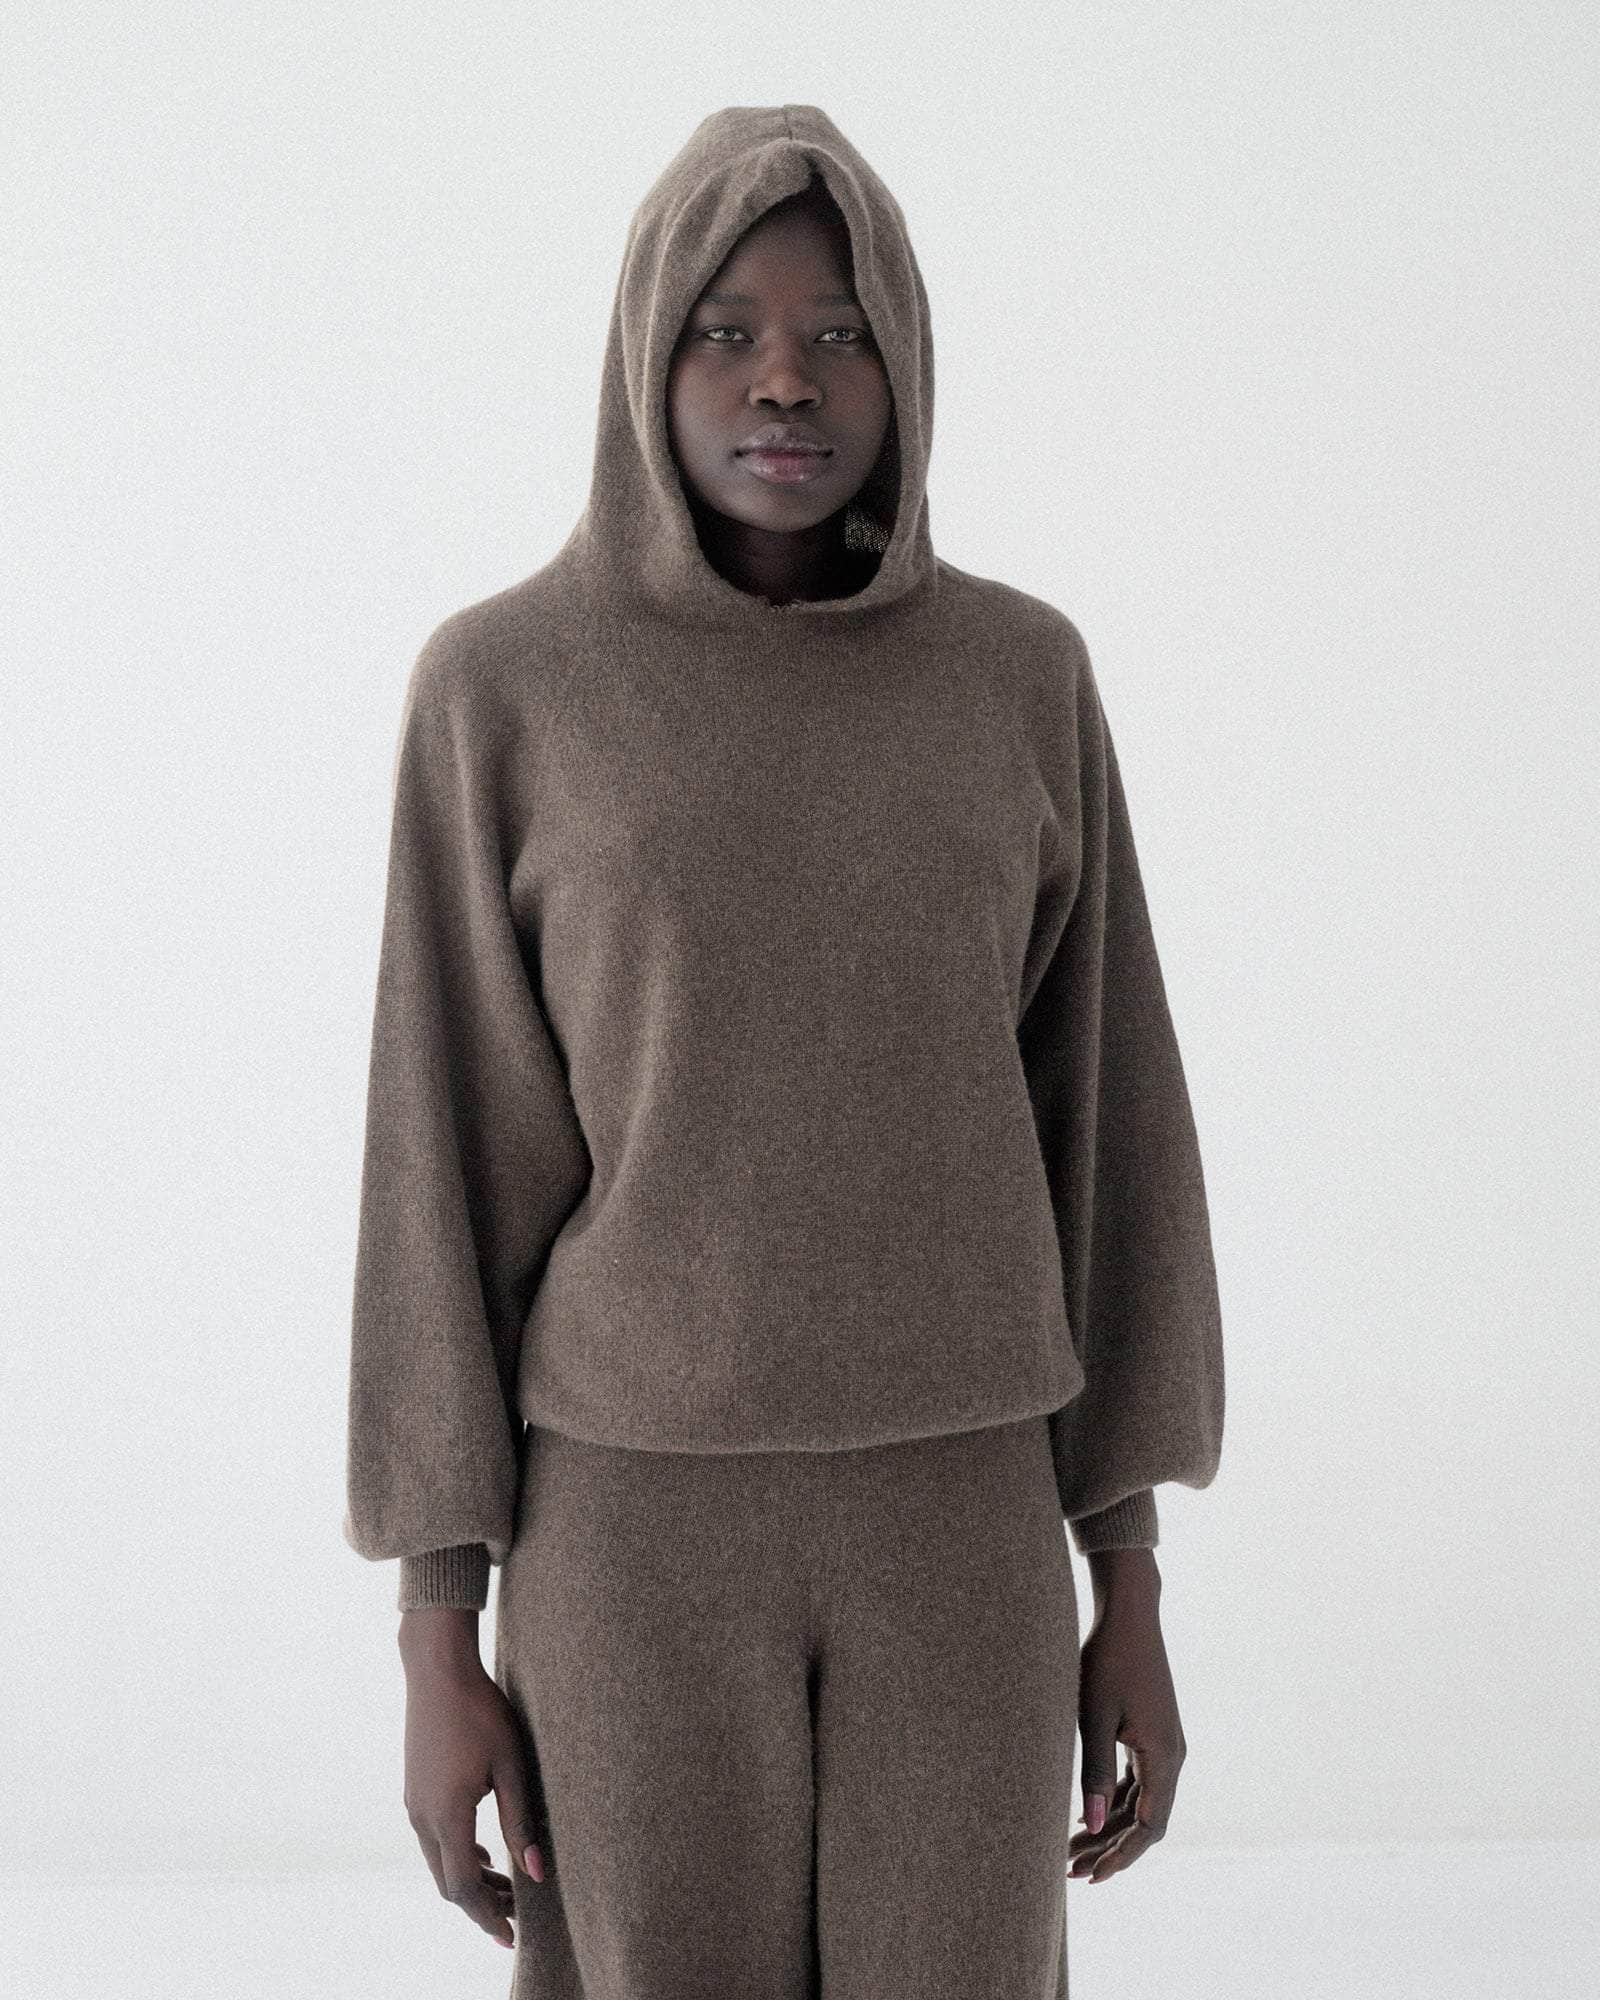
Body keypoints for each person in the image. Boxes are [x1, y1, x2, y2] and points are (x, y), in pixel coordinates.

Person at [344, 103, 1224, 1998]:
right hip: (630, 1536)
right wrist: (435, 1630)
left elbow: (1104, 1132)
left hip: (964, 1521)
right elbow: (444, 1157)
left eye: (841, 332)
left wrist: (1131, 1581)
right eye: (726, 329)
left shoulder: (1020, 678)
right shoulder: (503, 689)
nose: (785, 380)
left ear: (905, 364)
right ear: (642, 355)